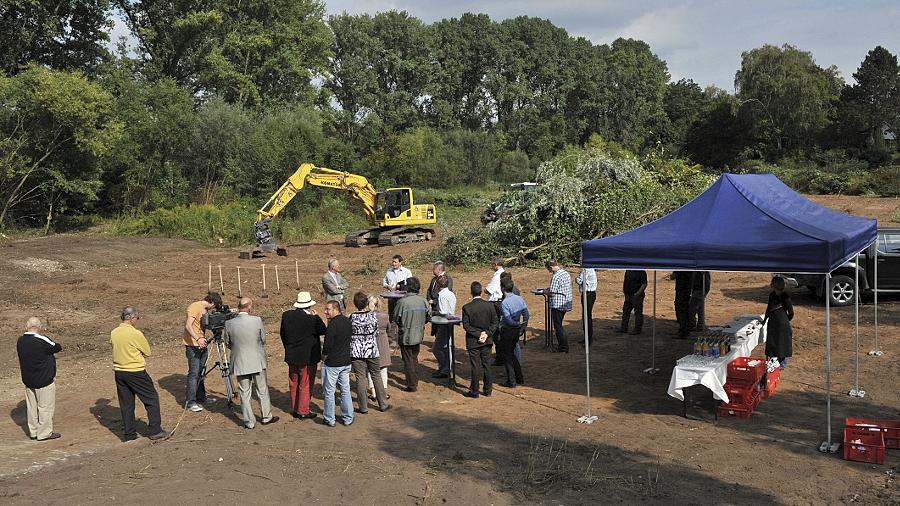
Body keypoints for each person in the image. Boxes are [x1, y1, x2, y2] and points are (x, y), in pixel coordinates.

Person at [110, 307, 168, 441]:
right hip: (135, 371)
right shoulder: (136, 334)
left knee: (126, 404)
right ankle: (155, 430)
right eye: (137, 317)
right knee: (151, 399)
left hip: (119, 372)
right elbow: (147, 352)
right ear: (131, 318)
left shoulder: (114, 332)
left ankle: (129, 434)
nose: (137, 320)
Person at [224, 297, 278, 429]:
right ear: (249, 307)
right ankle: (266, 416)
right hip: (256, 360)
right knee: (262, 389)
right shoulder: (257, 320)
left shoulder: (229, 323)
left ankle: (249, 421)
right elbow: (263, 339)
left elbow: (227, 343)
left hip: (240, 362)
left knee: (244, 392)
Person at [280, 292, 325, 420]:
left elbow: (283, 334)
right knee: (305, 383)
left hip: (292, 355)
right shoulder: (311, 319)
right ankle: (303, 410)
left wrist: (288, 348)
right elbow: (323, 330)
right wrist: (316, 317)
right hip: (308, 356)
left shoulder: (287, 316)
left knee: (293, 382)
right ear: (309, 305)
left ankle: (295, 407)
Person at [16, 317, 62, 441]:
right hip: (44, 379)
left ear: (26, 326)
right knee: (45, 407)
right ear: (39, 327)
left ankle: (34, 432)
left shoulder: (20, 341)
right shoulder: (41, 340)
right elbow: (57, 347)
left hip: (28, 379)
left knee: (31, 408)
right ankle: (44, 433)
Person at [349, 292, 391, 414]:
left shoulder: (351, 317)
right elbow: (376, 333)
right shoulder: (373, 317)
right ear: (366, 303)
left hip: (356, 351)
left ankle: (363, 407)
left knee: (360, 378)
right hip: (371, 349)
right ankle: (383, 404)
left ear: (355, 304)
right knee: (376, 375)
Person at [183, 292, 221, 412]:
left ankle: (201, 397)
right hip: (193, 346)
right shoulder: (195, 307)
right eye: (214, 306)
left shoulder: (204, 310)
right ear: (212, 303)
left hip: (202, 345)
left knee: (201, 372)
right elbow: (188, 326)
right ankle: (191, 402)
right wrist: (198, 338)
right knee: (194, 373)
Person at [393, 277, 430, 392]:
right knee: (414, 358)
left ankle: (412, 384)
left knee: (408, 360)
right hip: (418, 335)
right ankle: (414, 379)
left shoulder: (402, 302)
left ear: (407, 287)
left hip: (406, 336)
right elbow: (428, 317)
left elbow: (396, 319)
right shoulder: (423, 301)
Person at [461, 282, 497, 398]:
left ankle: (474, 391)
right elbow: (495, 322)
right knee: (487, 365)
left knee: (475, 366)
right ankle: (488, 390)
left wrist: (478, 334)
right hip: (487, 340)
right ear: (481, 292)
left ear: (471, 292)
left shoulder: (467, 308)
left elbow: (466, 326)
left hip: (473, 341)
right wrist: (486, 333)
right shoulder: (490, 306)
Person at [321, 301, 354, 427]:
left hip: (333, 363)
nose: (325, 312)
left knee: (329, 391)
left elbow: (327, 346)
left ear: (336, 309)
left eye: (328, 309)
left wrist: (323, 357)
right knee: (345, 390)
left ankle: (329, 418)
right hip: (345, 361)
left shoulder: (332, 325)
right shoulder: (347, 321)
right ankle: (348, 417)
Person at [499, 278, 528, 387]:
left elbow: (508, 320)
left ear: (502, 289)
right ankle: (519, 377)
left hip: (508, 331)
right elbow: (526, 314)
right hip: (516, 331)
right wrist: (522, 326)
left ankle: (511, 381)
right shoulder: (519, 299)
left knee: (507, 356)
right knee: (514, 354)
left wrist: (517, 324)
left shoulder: (505, 303)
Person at [763, 276, 794, 370]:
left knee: (782, 343)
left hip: (782, 323)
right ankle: (773, 362)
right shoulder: (772, 295)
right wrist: (764, 320)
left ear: (774, 285)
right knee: (773, 342)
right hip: (773, 322)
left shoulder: (785, 297)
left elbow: (791, 312)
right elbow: (768, 308)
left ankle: (782, 364)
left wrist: (785, 321)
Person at [430, 275, 457, 379]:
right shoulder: (451, 294)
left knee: (436, 349)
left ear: (437, 285)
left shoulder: (441, 295)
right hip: (450, 322)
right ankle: (446, 369)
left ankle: (444, 368)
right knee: (447, 347)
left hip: (444, 323)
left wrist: (434, 312)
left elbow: (443, 311)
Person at [366, 295, 391, 402]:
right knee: (383, 369)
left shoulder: (366, 317)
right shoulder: (384, 317)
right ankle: (384, 392)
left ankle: (373, 393)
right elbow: (389, 329)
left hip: (370, 343)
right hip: (383, 343)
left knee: (371, 369)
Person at [545, 260, 573, 353]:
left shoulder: (556, 276)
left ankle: (563, 347)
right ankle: (563, 345)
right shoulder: (566, 273)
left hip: (558, 304)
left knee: (558, 326)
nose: (549, 271)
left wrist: (545, 291)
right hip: (565, 302)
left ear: (551, 267)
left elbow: (552, 292)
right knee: (559, 325)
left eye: (548, 269)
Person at [383, 254, 413, 338]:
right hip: (392, 298)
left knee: (403, 316)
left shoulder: (407, 272)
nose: (393, 264)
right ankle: (392, 337)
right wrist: (387, 286)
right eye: (393, 262)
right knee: (392, 316)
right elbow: (384, 282)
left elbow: (410, 284)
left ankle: (403, 335)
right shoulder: (389, 271)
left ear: (400, 262)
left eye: (395, 262)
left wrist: (401, 286)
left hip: (403, 298)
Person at [618, 270, 647, 335]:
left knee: (638, 313)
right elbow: (625, 280)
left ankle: (637, 330)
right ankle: (623, 328)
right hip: (628, 295)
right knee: (625, 312)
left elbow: (644, 284)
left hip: (636, 296)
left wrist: (637, 293)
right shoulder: (628, 270)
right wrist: (625, 291)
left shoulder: (641, 271)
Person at [576, 266, 597, 346]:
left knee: (586, 317)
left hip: (588, 294)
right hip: (590, 294)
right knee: (587, 316)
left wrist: (577, 278)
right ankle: (587, 338)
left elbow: (579, 280)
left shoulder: (586, 269)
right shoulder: (590, 268)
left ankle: (588, 339)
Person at [673, 272, 693, 339]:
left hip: (682, 289)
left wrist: (673, 275)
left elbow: (674, 276)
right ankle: (684, 330)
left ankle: (683, 332)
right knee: (684, 310)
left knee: (681, 310)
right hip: (685, 289)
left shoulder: (680, 268)